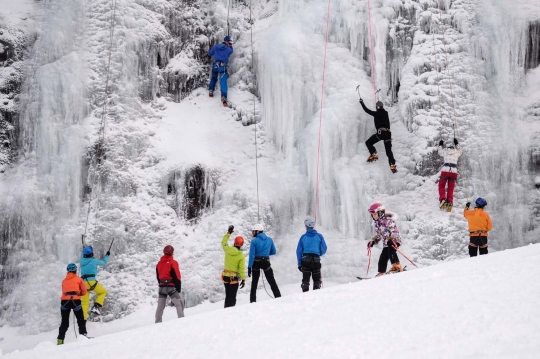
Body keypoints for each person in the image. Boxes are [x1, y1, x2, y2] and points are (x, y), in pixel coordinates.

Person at [359, 98, 397, 173]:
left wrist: (362, 103)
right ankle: (393, 167)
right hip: (388, 134)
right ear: (383, 106)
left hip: (381, 133)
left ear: (377, 107)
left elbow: (367, 110)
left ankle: (374, 155)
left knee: (368, 142)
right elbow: (381, 111)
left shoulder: (376, 113)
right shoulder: (386, 113)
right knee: (389, 152)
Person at [366, 203, 403, 277]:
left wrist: (392, 239)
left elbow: (394, 231)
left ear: (380, 213)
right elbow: (379, 235)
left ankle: (397, 267)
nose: (373, 216)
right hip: (386, 243)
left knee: (391, 252)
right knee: (383, 257)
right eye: (372, 215)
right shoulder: (377, 223)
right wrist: (373, 241)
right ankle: (381, 272)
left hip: (394, 241)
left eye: (375, 214)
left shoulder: (388, 220)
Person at [248, 223, 281, 302]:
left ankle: (253, 301)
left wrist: (249, 267)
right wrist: (265, 254)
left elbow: (252, 255)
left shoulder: (254, 241)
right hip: (266, 261)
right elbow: (274, 252)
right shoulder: (269, 239)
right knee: (271, 280)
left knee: (254, 283)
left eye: (253, 231)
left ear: (257, 231)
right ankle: (278, 297)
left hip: (256, 262)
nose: (252, 233)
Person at [57, 263, 88, 345]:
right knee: (80, 320)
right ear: (75, 270)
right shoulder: (79, 279)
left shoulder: (63, 281)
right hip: (75, 301)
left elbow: (64, 291)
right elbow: (84, 291)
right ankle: (83, 336)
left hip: (64, 302)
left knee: (64, 322)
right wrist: (79, 294)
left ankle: (60, 340)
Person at [296, 217, 327, 292]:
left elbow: (299, 251)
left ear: (306, 226)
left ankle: (305, 297)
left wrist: (300, 264)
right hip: (316, 260)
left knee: (305, 281)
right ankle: (315, 298)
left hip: (305, 261)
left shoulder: (303, 237)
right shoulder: (319, 236)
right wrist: (318, 253)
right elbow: (324, 248)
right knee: (317, 281)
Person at [155, 245, 185, 323]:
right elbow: (177, 276)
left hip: (162, 288)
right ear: (171, 252)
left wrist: (161, 284)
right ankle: (182, 320)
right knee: (179, 304)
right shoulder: (173, 263)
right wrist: (178, 288)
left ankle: (157, 322)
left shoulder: (159, 264)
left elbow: (158, 277)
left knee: (160, 307)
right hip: (171, 288)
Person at [80, 246, 109, 320]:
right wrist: (107, 255)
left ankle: (83, 319)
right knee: (102, 292)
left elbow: (83, 256)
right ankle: (96, 306)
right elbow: (104, 262)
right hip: (92, 282)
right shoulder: (93, 261)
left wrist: (84, 249)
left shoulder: (81, 261)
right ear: (91, 254)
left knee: (84, 302)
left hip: (83, 283)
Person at [221, 225, 246, 308]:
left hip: (226, 277)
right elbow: (241, 269)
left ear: (234, 242)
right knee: (232, 298)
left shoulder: (227, 250)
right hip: (234, 278)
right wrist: (243, 279)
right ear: (241, 244)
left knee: (227, 296)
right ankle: (229, 314)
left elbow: (223, 242)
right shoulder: (241, 255)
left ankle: (225, 311)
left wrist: (229, 233)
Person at [208, 35, 234, 106]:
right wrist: (229, 46)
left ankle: (211, 90)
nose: (230, 44)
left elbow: (209, 53)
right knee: (223, 82)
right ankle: (224, 97)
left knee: (213, 78)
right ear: (227, 42)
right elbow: (231, 51)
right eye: (230, 43)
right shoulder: (228, 49)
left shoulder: (216, 46)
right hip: (223, 67)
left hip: (215, 66)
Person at [438, 138, 463, 212]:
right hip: (454, 172)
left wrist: (440, 145)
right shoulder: (456, 152)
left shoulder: (445, 151)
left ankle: (443, 199)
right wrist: (457, 144)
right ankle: (450, 202)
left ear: (448, 148)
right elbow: (460, 151)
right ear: (453, 147)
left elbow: (439, 152)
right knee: (450, 188)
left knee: (441, 185)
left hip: (445, 170)